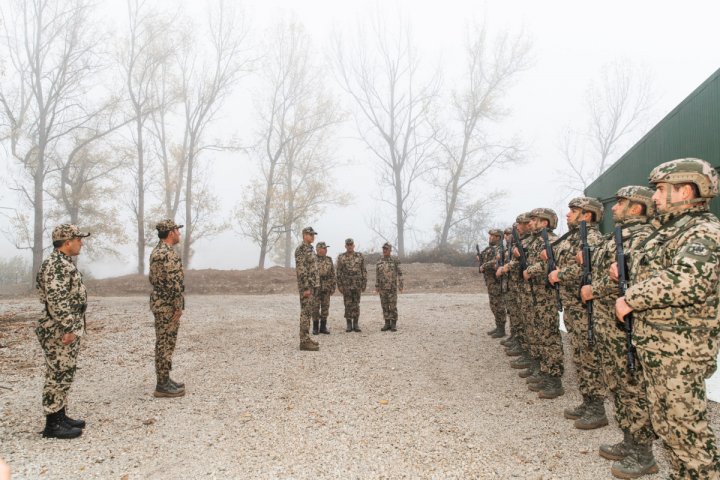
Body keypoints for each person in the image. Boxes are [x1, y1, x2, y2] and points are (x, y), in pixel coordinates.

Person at [615, 158, 720, 479]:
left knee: (687, 432)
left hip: (680, 352)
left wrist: (631, 298)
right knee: (668, 426)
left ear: (686, 190)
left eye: (661, 190)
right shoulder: (673, 230)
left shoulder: (704, 230)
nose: (655, 198)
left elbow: (688, 279)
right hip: (659, 347)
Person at [579, 186, 658, 478]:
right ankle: (629, 441)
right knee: (619, 385)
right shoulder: (620, 236)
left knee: (633, 387)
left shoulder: (642, 238)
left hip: (626, 327)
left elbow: (628, 281)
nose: (614, 207)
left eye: (621, 202)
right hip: (607, 323)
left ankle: (643, 453)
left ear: (637, 208)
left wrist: (595, 289)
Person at [547, 197, 608, 429]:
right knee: (580, 355)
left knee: (590, 356)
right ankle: (588, 401)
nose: (568, 214)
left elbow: (587, 266)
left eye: (574, 211)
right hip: (573, 306)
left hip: (585, 309)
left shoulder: (592, 238)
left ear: (588, 215)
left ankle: (597, 408)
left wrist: (560, 274)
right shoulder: (572, 237)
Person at [36, 224, 90, 439]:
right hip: (58, 329)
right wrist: (68, 327)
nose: (81, 242)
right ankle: (52, 424)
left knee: (65, 372)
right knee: (57, 374)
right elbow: (57, 300)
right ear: (67, 242)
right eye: (78, 239)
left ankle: (60, 414)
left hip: (66, 326)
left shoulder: (63, 263)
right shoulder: (55, 265)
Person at [524, 208, 565, 399]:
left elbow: (553, 264)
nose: (530, 223)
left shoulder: (553, 241)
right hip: (535, 295)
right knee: (540, 335)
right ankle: (544, 372)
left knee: (550, 338)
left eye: (535, 219)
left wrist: (532, 269)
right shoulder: (535, 241)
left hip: (546, 296)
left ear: (545, 222)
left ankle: (554, 380)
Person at [149, 219, 186, 397]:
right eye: (177, 230)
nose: (179, 233)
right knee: (165, 343)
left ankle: (165, 378)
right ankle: (162, 384)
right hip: (167, 305)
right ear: (170, 233)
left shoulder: (158, 251)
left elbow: (153, 279)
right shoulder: (167, 254)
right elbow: (174, 284)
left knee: (164, 342)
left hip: (161, 302)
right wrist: (178, 306)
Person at [295, 227, 320, 351]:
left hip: (313, 285)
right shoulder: (301, 249)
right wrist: (305, 287)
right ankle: (304, 341)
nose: (313, 236)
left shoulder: (310, 249)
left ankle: (307, 338)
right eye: (310, 234)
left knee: (309, 312)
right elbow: (301, 270)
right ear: (304, 235)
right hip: (307, 287)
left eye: (313, 234)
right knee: (305, 312)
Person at [478, 229, 506, 337]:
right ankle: (498, 326)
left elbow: (496, 261)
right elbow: (484, 258)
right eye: (490, 236)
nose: (490, 237)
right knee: (493, 305)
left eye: (492, 236)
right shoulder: (489, 249)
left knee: (498, 305)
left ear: (498, 237)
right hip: (490, 281)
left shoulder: (500, 249)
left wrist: (484, 266)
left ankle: (501, 329)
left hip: (496, 281)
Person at [336, 238, 367, 332]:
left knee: (356, 304)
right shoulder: (341, 257)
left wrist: (364, 283)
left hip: (357, 284)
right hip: (346, 285)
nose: (349, 246)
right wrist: (340, 285)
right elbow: (338, 272)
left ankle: (356, 324)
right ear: (345, 246)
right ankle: (349, 324)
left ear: (353, 245)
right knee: (348, 304)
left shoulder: (360, 256)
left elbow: (363, 270)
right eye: (348, 245)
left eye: (351, 244)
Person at [375, 242, 404, 331]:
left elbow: (400, 273)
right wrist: (377, 286)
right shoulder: (379, 261)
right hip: (382, 288)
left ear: (390, 250)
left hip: (392, 288)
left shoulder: (395, 260)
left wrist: (401, 285)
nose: (384, 250)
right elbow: (377, 275)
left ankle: (393, 324)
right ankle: (387, 323)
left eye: (386, 249)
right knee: (384, 306)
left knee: (393, 306)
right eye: (383, 249)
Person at [313, 241, 336, 335]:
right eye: (324, 248)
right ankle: (315, 327)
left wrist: (333, 286)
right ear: (318, 249)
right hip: (316, 287)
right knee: (315, 307)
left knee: (325, 306)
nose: (326, 250)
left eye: (326, 248)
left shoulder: (329, 259)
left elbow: (332, 274)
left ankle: (323, 327)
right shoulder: (313, 259)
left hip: (326, 286)